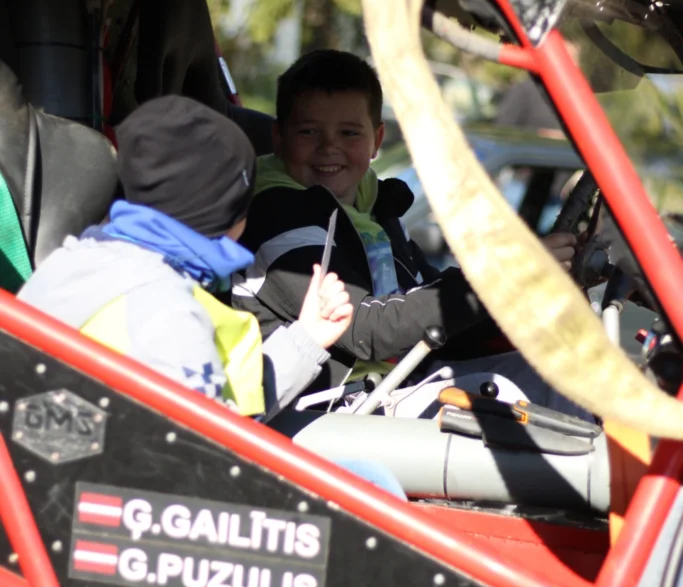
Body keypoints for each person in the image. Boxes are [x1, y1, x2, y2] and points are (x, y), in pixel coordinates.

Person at [232, 50, 584, 417]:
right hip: (319, 409)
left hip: (390, 385)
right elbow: (363, 329)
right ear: (279, 138)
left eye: (349, 133)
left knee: (565, 371)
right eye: (309, 131)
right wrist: (496, 280)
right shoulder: (276, 215)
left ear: (377, 140)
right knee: (532, 398)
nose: (329, 147)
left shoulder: (374, 208)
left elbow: (432, 309)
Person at [18, 95, 354, 420]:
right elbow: (211, 443)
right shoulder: (166, 309)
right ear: (226, 212)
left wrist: (306, 338)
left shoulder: (74, 259)